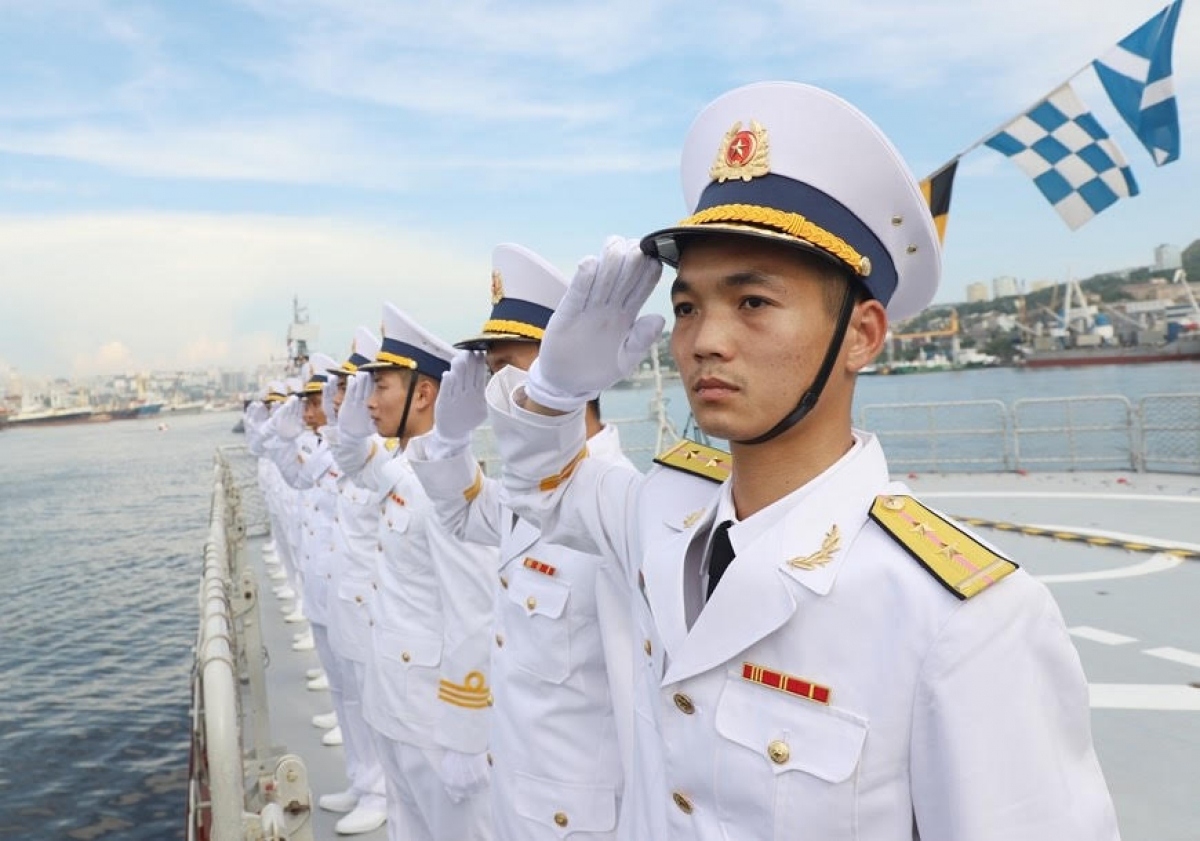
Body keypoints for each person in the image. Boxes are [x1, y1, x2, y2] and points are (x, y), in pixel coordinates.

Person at [481, 81, 1121, 840]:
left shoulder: (960, 616)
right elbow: (540, 483)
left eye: (752, 302)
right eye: (688, 306)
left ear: (863, 334)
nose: (705, 340)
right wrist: (554, 388)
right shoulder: (660, 515)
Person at [406, 244, 636, 840]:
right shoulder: (525, 493)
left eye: (511, 366)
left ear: (573, 367)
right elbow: (463, 516)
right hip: (516, 794)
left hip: (584, 818)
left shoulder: (617, 500)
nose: (494, 386)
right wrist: (449, 444)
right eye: (493, 369)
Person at [329, 303, 495, 841]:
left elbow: (474, 611)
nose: (369, 401)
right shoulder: (404, 470)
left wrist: (466, 732)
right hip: (393, 702)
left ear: (424, 395)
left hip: (432, 719)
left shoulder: (444, 488)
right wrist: (349, 435)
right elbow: (358, 467)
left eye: (381, 387)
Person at [316, 328, 391, 835]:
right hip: (344, 601)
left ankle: (379, 789)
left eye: (360, 387)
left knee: (375, 707)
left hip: (375, 610)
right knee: (349, 698)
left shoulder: (388, 460)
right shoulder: (359, 455)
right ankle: (363, 778)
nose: (344, 398)